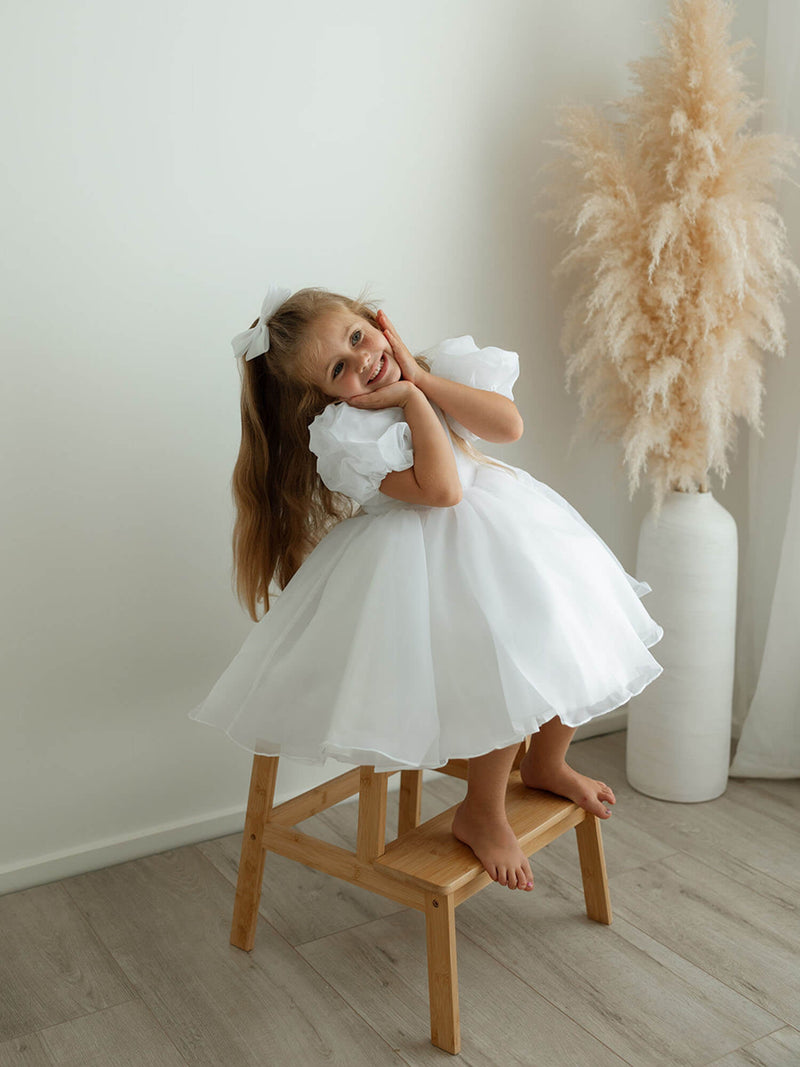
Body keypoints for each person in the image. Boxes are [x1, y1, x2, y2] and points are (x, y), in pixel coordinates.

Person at [189, 285, 664, 892]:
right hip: (417, 562)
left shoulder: (438, 369)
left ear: (377, 322)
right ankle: (481, 811)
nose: (362, 362)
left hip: (508, 532)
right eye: (339, 368)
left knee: (569, 625)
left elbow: (507, 426)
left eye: (358, 338)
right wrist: (411, 399)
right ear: (322, 394)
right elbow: (442, 491)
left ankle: (546, 762)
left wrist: (421, 377)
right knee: (497, 665)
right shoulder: (344, 434)